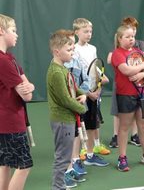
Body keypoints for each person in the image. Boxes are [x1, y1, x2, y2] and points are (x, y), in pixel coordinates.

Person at [112, 25, 144, 172]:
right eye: (127, 37)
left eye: (132, 36)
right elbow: (126, 70)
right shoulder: (117, 53)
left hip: (142, 94)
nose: (131, 39)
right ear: (120, 39)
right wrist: (142, 67)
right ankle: (122, 158)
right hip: (125, 95)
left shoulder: (139, 52)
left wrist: (141, 74)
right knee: (124, 127)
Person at [47, 29, 87, 189]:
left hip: (68, 120)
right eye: (69, 50)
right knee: (62, 159)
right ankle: (58, 187)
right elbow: (64, 99)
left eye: (72, 49)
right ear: (57, 51)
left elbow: (73, 87)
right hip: (62, 121)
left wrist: (82, 94)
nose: (72, 53)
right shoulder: (56, 72)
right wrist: (82, 108)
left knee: (65, 157)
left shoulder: (63, 69)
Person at [0, 14, 35, 190]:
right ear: (1, 31)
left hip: (5, 123)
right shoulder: (4, 61)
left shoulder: (10, 59)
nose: (17, 34)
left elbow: (28, 86)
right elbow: (27, 95)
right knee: (24, 166)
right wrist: (29, 87)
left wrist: (30, 86)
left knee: (5, 163)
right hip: (10, 123)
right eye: (13, 30)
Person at [73, 18, 110, 167]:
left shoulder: (92, 49)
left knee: (92, 124)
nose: (89, 34)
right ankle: (77, 156)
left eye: (90, 31)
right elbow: (75, 76)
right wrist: (88, 93)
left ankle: (90, 155)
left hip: (95, 92)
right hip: (82, 94)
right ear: (76, 32)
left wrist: (98, 89)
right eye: (85, 31)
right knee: (80, 125)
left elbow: (97, 70)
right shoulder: (73, 50)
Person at [108, 16, 144, 148]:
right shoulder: (117, 49)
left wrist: (141, 72)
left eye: (133, 29)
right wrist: (140, 67)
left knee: (139, 117)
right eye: (128, 29)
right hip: (122, 86)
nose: (132, 32)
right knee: (119, 112)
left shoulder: (140, 46)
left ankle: (135, 136)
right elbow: (114, 61)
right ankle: (115, 136)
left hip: (139, 87)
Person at [64, 30, 89, 182]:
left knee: (76, 134)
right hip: (65, 109)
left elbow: (85, 80)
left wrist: (84, 94)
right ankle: (64, 170)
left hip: (78, 105)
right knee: (66, 139)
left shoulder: (78, 61)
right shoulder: (58, 66)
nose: (72, 47)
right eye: (69, 44)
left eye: (73, 44)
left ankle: (75, 161)